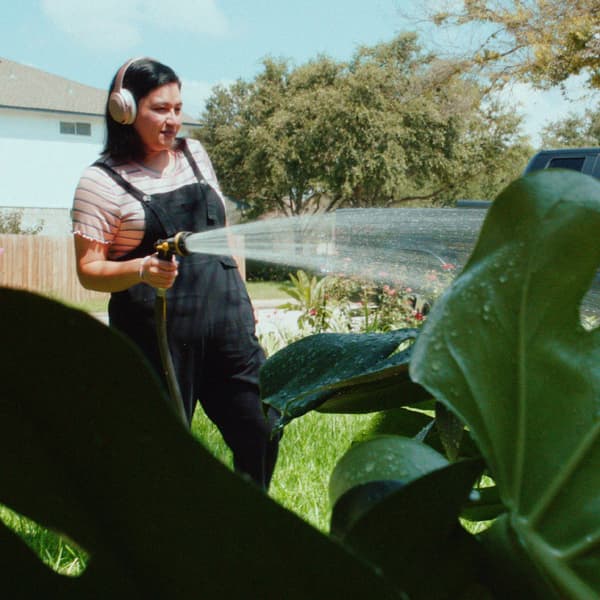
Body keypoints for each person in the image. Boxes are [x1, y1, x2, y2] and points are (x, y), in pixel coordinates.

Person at [71, 57, 279, 490]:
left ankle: (245, 528)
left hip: (228, 324)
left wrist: (241, 302)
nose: (173, 121)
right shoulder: (100, 182)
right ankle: (162, 545)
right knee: (162, 455)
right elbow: (89, 270)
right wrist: (142, 269)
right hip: (156, 333)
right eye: (160, 110)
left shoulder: (195, 155)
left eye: (178, 109)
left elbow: (217, 237)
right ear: (124, 111)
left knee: (261, 426)